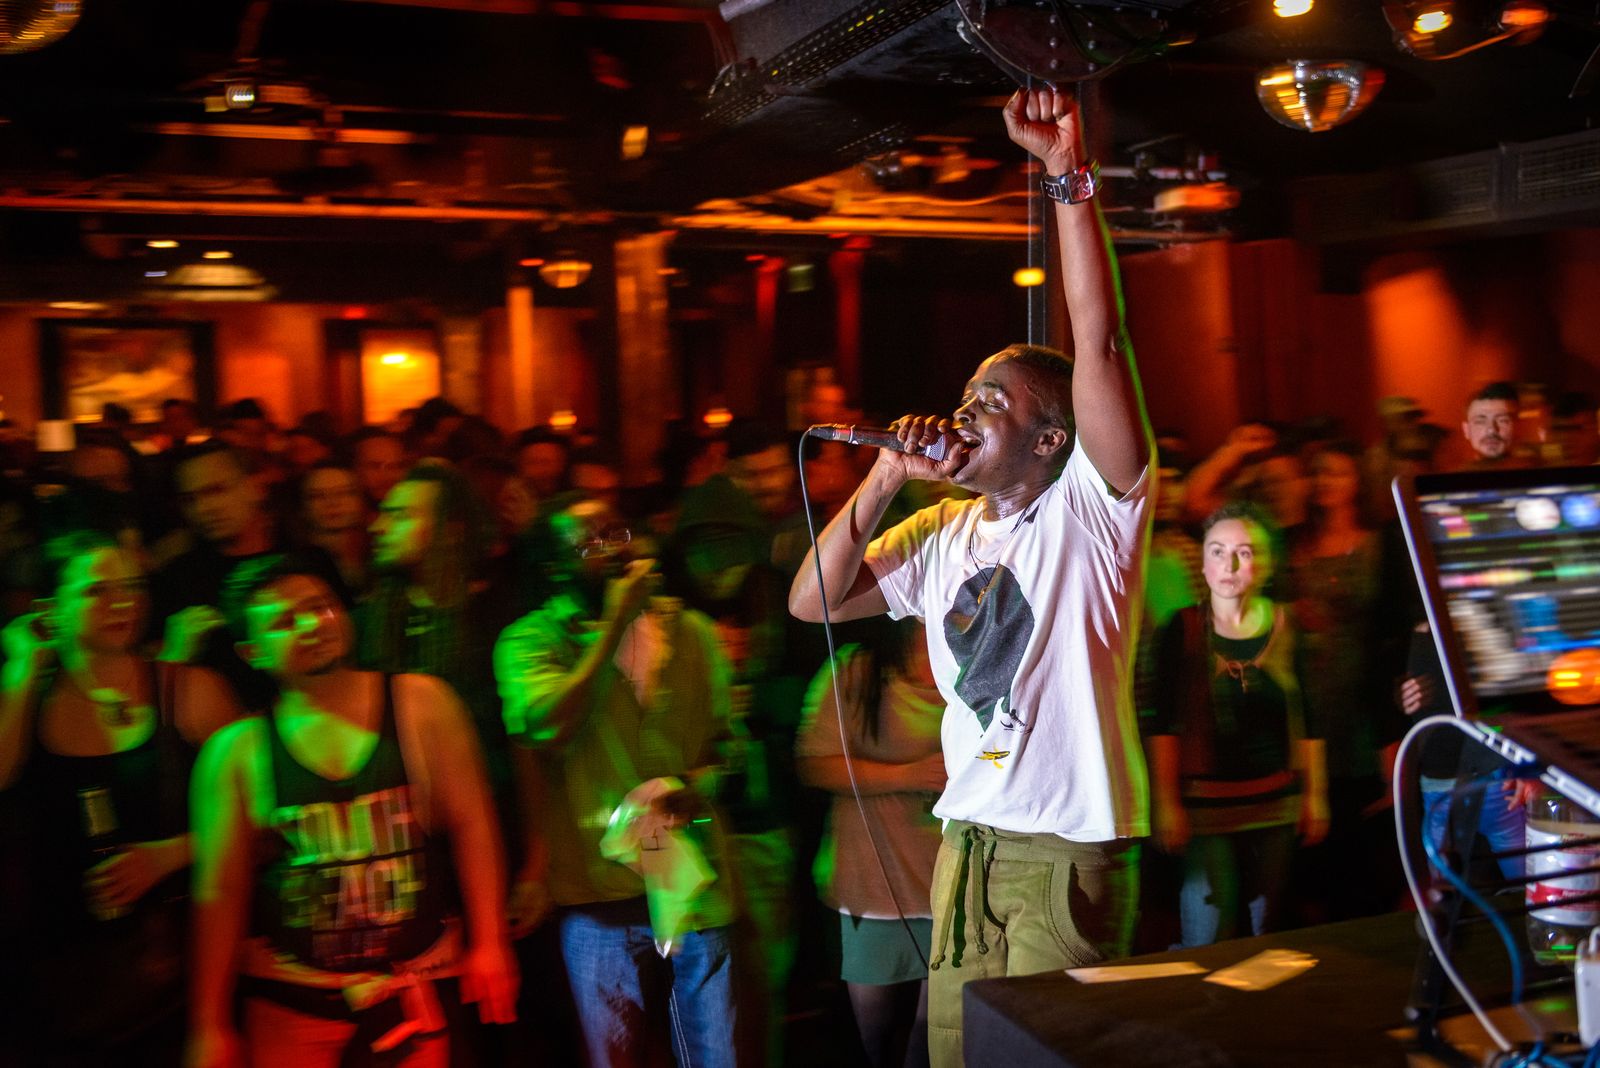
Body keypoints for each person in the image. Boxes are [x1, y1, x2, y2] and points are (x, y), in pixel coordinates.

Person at [788, 86, 1153, 1067]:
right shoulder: (941, 530)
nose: (964, 410)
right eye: (964, 394)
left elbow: (1097, 338)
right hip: (966, 846)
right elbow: (812, 602)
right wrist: (884, 476)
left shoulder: (1092, 514)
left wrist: (1066, 175)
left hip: (1060, 851)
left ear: (1049, 437)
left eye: (992, 400)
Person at [185, 554, 517, 1068]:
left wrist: (491, 943)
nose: (311, 624)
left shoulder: (421, 702)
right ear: (252, 652)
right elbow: (220, 892)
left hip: (415, 983)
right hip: (293, 999)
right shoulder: (235, 752)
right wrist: (210, 1022)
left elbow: (473, 824)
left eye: (320, 606)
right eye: (284, 620)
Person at [495, 495, 740, 1068]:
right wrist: (611, 626)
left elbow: (726, 743)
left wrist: (697, 786)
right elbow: (546, 727)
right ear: (554, 567)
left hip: (693, 883)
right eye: (587, 544)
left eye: (616, 532)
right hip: (598, 893)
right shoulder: (531, 641)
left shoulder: (692, 631)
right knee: (615, 1055)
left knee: (714, 1053)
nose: (610, 549)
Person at [0, 531, 193, 1064]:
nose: (122, 602)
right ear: (50, 609)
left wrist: (169, 854)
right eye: (97, 590)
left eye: (130, 586)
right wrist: (21, 667)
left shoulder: (182, 689)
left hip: (167, 966)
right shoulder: (27, 696)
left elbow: (263, 810)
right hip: (51, 963)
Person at [1146, 504, 1328, 947]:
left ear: (1266, 564)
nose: (1229, 565)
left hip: (1275, 800)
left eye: (1244, 553)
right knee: (1209, 930)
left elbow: (1308, 717)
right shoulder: (1182, 627)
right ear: (1203, 562)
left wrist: (1315, 795)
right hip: (1206, 806)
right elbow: (1164, 723)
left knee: (1267, 929)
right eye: (1218, 551)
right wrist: (1166, 803)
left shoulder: (1288, 627)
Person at [796, 617, 944, 1068]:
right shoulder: (855, 670)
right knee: (874, 1035)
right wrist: (909, 775)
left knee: (933, 1035)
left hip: (950, 879)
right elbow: (814, 763)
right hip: (875, 883)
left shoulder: (969, 658)